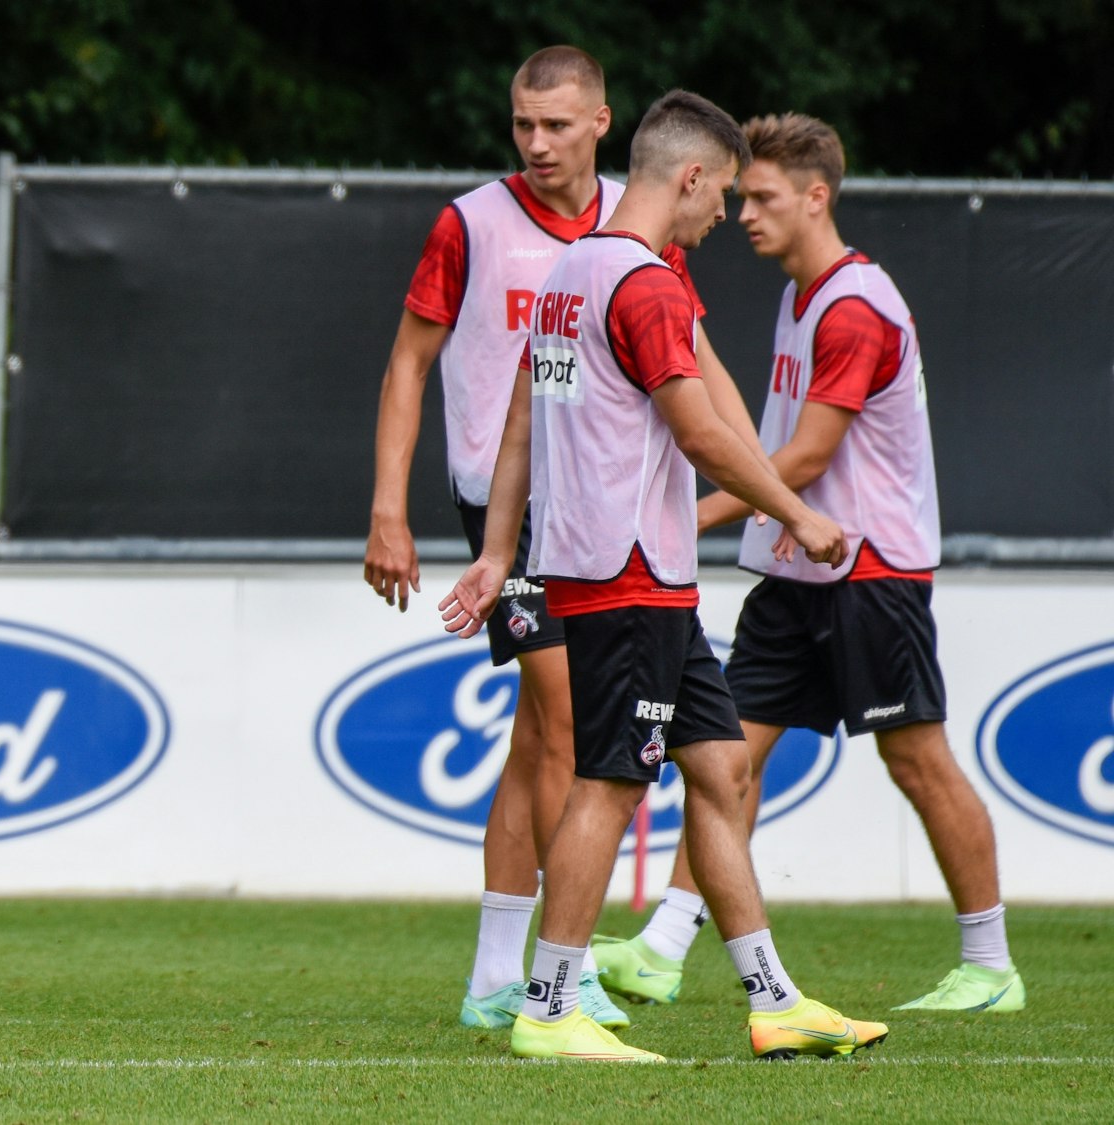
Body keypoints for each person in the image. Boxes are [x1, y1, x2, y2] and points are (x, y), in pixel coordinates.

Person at [440, 90, 889, 1061]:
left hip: (640, 579)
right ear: (687, 178)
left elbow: (518, 422)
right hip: (624, 576)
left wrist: (493, 552)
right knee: (607, 785)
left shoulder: (568, 272)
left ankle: (771, 1000)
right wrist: (798, 513)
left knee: (719, 775)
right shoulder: (639, 286)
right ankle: (548, 1006)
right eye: (720, 193)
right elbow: (699, 433)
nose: (722, 215)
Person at [364, 45, 760, 1032]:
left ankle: (499, 972)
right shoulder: (471, 222)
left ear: (598, 121)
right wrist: (386, 510)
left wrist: (759, 475)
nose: (534, 144)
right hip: (507, 504)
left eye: (554, 125)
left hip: (602, 510)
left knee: (540, 738)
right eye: (519, 125)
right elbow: (410, 365)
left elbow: (696, 364)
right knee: (566, 723)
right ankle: (561, 971)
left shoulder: (647, 213)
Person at [592, 113, 1024, 1015]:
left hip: (870, 571)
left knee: (918, 762)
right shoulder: (801, 295)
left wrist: (686, 515)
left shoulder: (856, 306)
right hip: (793, 573)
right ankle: (665, 947)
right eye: (741, 195)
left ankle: (990, 963)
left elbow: (803, 459)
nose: (745, 212)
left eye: (764, 197)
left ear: (816, 197)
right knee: (721, 759)